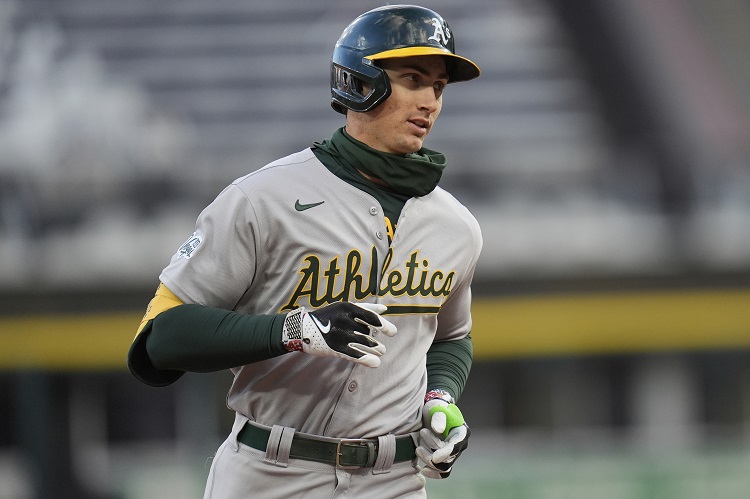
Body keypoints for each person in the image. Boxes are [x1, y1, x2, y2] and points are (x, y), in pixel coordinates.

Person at [127, 4, 482, 498]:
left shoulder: (456, 226)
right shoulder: (263, 198)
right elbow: (160, 339)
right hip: (272, 470)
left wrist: (440, 398)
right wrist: (295, 330)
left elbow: (451, 337)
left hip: (393, 480)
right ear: (359, 81)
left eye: (438, 87)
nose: (429, 101)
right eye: (413, 79)